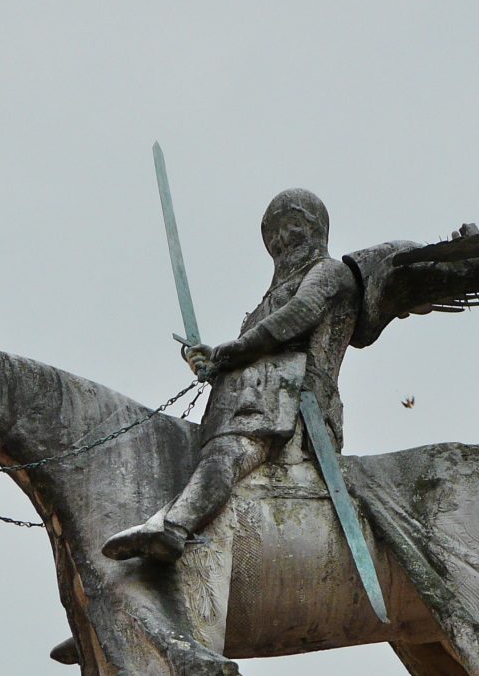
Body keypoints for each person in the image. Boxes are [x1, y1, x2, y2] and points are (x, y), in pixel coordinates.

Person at [102, 188, 359, 562]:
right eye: (272, 233)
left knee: (227, 454)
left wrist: (231, 351)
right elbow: (251, 354)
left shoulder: (329, 272)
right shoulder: (265, 302)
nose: (281, 239)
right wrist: (211, 365)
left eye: (292, 225)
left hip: (294, 401)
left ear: (315, 228)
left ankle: (174, 528)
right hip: (254, 398)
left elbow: (298, 316)